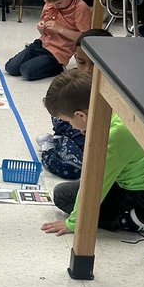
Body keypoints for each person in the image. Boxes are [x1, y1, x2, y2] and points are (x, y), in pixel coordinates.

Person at [40, 70, 144, 236]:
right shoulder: (116, 103)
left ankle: (137, 218)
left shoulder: (112, 137)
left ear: (81, 115)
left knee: (63, 196)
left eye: (68, 121)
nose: (71, 127)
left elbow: (98, 182)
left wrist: (74, 223)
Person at [37, 29, 112, 179]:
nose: (87, 70)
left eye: (95, 64)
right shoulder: (76, 77)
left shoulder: (114, 85)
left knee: (70, 167)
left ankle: (53, 146)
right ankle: (65, 137)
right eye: (81, 62)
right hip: (80, 124)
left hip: (101, 133)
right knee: (59, 111)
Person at [5, 0, 91, 81]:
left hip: (58, 54)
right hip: (41, 44)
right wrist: (41, 28)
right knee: (11, 68)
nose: (55, 6)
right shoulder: (51, 4)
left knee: (26, 71)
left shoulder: (80, 8)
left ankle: (57, 68)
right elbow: (44, 31)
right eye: (51, 3)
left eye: (59, 3)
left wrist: (60, 29)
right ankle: (38, 60)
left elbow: (84, 38)